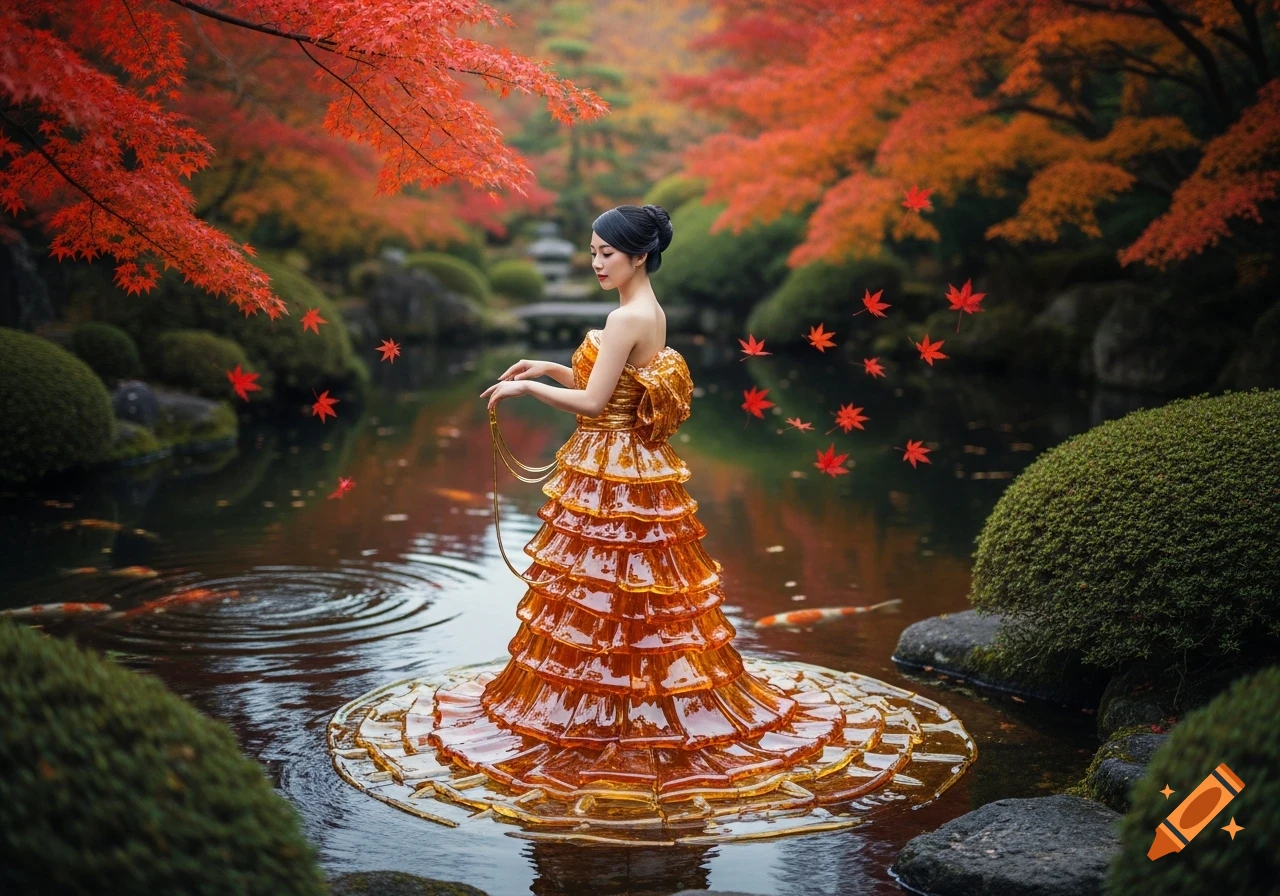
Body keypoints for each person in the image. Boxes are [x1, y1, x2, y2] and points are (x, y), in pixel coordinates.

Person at [457, 204, 847, 797]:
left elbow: (594, 406)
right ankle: (630, 703)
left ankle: (608, 716)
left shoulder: (623, 320)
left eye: (606, 254)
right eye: (592, 252)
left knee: (605, 594)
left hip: (612, 467)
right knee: (633, 596)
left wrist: (526, 387)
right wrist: (551, 368)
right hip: (633, 463)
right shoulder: (648, 312)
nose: (595, 263)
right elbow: (609, 387)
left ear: (639, 255)